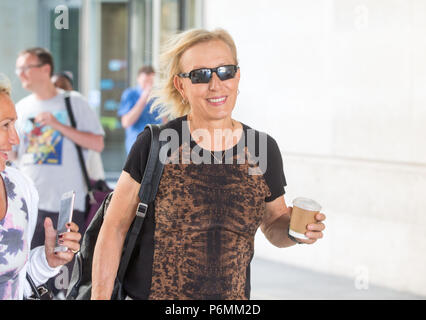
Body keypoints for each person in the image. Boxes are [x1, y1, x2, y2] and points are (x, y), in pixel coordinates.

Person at [92, 29, 326, 300]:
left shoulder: (262, 148)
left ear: (237, 76)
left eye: (225, 71)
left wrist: (296, 231)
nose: (216, 84)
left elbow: (274, 223)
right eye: (200, 75)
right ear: (182, 86)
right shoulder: (157, 144)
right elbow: (114, 227)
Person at [13, 48, 105, 296]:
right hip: (30, 204)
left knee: (66, 270)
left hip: (68, 203)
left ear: (45, 69)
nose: (20, 74)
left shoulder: (73, 102)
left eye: (25, 68)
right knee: (31, 273)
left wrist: (56, 124)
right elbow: (15, 154)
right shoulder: (21, 107)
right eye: (18, 69)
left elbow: (97, 143)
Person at [0, 75, 81, 300]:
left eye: (14, 124)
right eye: (5, 125)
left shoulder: (20, 188)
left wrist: (47, 261)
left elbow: (19, 280)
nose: (15, 138)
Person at [118, 66, 163, 154]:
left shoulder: (157, 97)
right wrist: (143, 99)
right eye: (145, 82)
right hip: (136, 146)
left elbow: (164, 122)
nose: (149, 85)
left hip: (156, 146)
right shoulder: (130, 94)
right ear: (138, 79)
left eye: (151, 82)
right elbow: (126, 122)